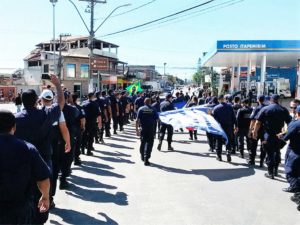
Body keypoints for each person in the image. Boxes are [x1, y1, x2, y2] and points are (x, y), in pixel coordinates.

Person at [15, 74, 64, 224]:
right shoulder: (45, 114)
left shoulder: (15, 119)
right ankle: (41, 217)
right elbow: (60, 103)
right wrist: (57, 85)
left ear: (22, 102)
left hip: (22, 162)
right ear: (37, 101)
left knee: (25, 193)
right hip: (43, 158)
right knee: (43, 191)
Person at [0, 110, 51, 225]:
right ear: (14, 127)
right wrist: (45, 197)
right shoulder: (28, 148)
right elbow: (43, 178)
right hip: (20, 210)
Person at [253, 94, 291, 179]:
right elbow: (289, 124)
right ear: (278, 100)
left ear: (271, 100)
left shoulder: (265, 109)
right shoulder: (283, 110)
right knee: (277, 151)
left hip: (268, 135)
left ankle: (270, 173)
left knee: (270, 153)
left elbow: (258, 122)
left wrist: (255, 132)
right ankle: (276, 170)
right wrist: (285, 133)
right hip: (279, 135)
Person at [280, 105, 300, 193]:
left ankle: (295, 188)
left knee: (290, 170)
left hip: (296, 151)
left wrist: (281, 136)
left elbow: (286, 137)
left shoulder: (295, 123)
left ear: (297, 113)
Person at [213, 94, 236, 162]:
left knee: (219, 141)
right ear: (224, 99)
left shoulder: (216, 108)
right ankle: (228, 151)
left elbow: (214, 119)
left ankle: (219, 156)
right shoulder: (230, 107)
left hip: (219, 127)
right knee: (227, 139)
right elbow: (233, 117)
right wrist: (236, 126)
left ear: (219, 100)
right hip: (228, 126)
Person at [136, 98, 159, 166]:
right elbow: (157, 119)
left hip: (143, 128)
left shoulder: (140, 109)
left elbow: (137, 120)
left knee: (143, 142)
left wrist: (137, 130)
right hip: (150, 129)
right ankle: (146, 158)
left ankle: (142, 156)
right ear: (150, 102)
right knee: (149, 144)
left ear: (144, 102)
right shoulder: (153, 109)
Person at [248, 95, 267, 166]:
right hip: (265, 130)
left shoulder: (256, 108)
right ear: (264, 100)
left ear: (258, 100)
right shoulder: (267, 108)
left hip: (257, 129)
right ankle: (261, 161)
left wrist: (250, 131)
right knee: (263, 146)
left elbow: (253, 120)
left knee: (253, 145)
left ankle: (252, 160)